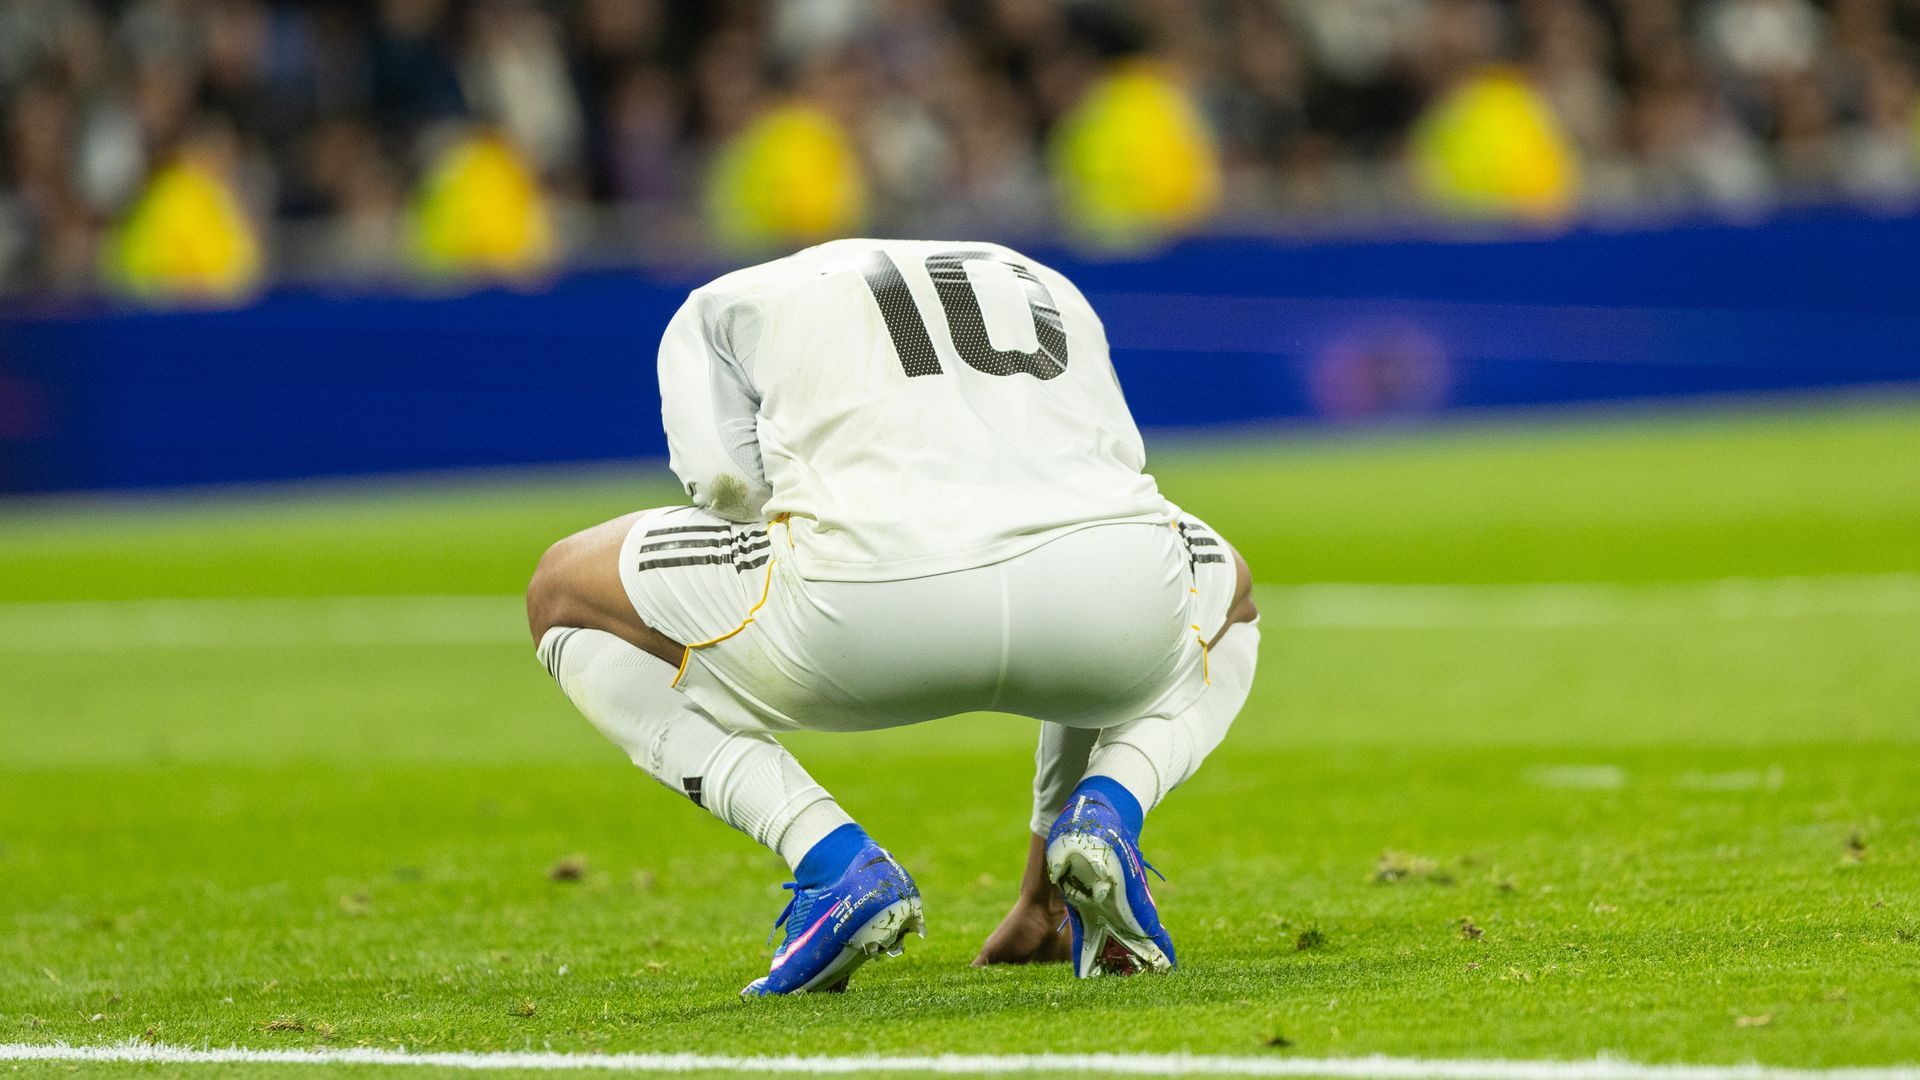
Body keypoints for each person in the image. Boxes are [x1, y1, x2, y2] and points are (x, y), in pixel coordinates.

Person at [524, 238, 1260, 996]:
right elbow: (1098, 476)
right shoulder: (1040, 276)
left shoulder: (722, 301)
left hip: (864, 619)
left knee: (560, 593)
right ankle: (1109, 812)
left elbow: (725, 488)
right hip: (1111, 610)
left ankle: (829, 859)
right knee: (1229, 601)